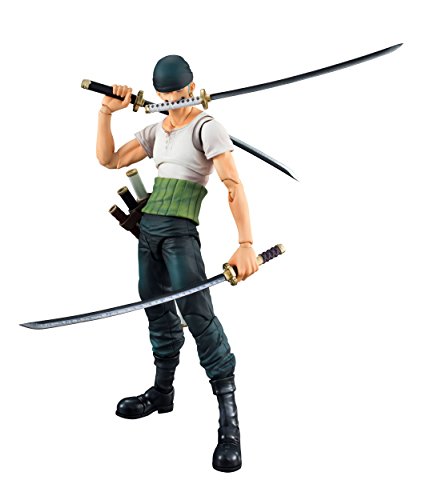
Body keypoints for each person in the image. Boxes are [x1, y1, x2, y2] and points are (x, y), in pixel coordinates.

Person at [96, 55, 258, 473]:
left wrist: (245, 243)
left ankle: (229, 424)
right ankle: (162, 392)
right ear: (157, 94)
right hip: (148, 233)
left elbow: (233, 185)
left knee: (199, 316)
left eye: (177, 92)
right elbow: (109, 160)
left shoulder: (206, 127)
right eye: (164, 94)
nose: (171, 100)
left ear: (190, 87)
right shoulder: (156, 130)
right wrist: (106, 113)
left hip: (180, 234)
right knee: (156, 309)